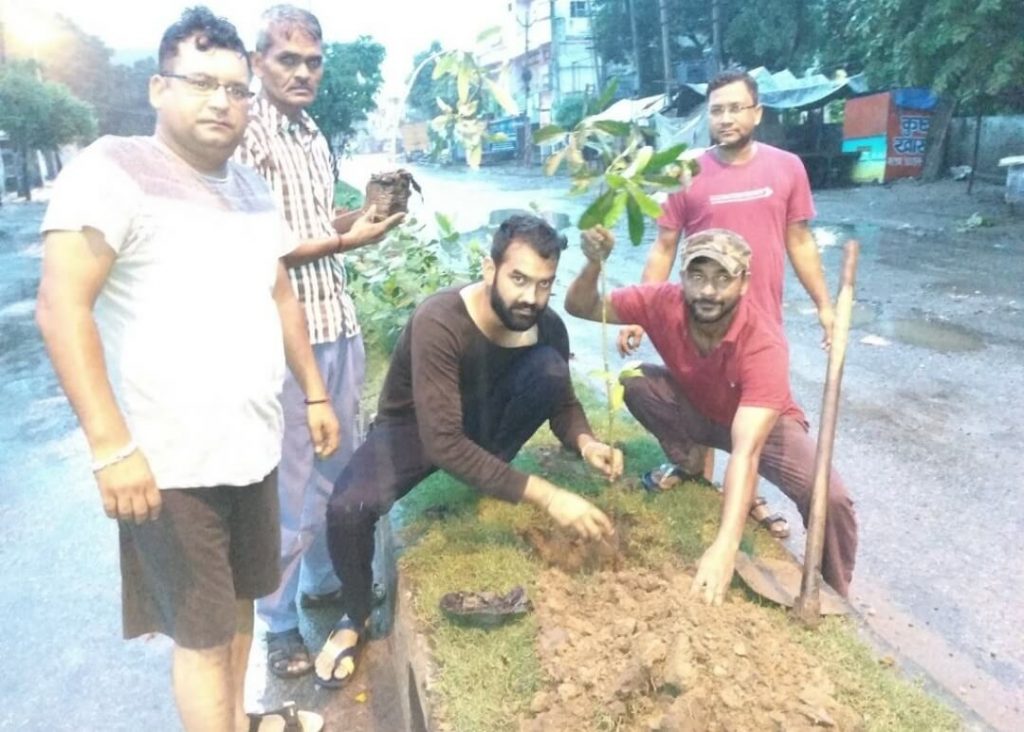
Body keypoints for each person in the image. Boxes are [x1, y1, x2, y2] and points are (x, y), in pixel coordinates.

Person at [34, 7, 337, 731]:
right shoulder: (114, 170)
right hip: (169, 464)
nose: (221, 102)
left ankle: (236, 721)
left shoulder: (252, 190)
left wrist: (317, 393)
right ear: (157, 88)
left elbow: (279, 291)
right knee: (201, 640)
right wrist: (112, 447)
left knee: (238, 613)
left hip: (252, 449)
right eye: (201, 83)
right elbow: (60, 306)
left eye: (236, 90)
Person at [315, 215, 622, 687]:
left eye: (544, 285)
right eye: (518, 279)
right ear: (489, 269)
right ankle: (355, 614)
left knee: (550, 370)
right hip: (416, 425)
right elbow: (443, 441)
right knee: (348, 508)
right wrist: (549, 495)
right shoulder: (441, 320)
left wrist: (587, 442)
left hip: (484, 425)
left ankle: (491, 475)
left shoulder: (547, 324)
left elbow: (562, 402)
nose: (530, 298)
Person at [235, 4, 404, 680]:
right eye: (287, 60)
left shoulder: (309, 133)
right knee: (288, 488)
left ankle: (324, 584)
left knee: (341, 470)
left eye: (312, 61)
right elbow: (257, 248)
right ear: (258, 62)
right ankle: (275, 628)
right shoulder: (247, 135)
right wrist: (345, 239)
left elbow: (306, 222)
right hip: (285, 338)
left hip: (339, 325)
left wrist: (357, 220)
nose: (303, 73)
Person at [566, 226, 857, 604]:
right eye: (698, 276)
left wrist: (725, 546)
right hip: (699, 406)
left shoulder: (763, 342)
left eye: (723, 278)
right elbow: (581, 306)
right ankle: (688, 462)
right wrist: (593, 264)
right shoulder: (661, 302)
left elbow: (746, 451)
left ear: (744, 283)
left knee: (829, 497)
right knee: (634, 381)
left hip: (763, 428)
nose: (708, 291)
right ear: (682, 277)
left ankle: (833, 591)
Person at [619, 69, 836, 535]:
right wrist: (638, 313)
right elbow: (664, 246)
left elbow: (799, 240)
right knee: (695, 390)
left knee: (748, 408)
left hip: (757, 325)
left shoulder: (786, 168)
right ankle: (695, 471)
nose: (726, 118)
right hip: (701, 318)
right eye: (717, 110)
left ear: (756, 113)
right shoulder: (687, 173)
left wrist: (824, 305)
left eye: (736, 108)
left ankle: (748, 497)